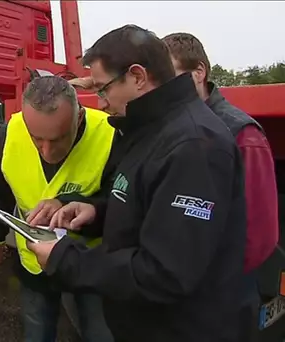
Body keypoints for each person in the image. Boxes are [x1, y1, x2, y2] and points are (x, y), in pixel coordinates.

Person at [28, 25, 251, 342]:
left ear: (137, 76)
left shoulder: (195, 146)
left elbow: (165, 272)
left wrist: (67, 260)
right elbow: (145, 204)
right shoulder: (145, 131)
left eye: (103, 89)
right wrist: (94, 212)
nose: (101, 102)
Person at [162, 32, 280, 338]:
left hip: (221, 298)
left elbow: (260, 233)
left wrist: (213, 280)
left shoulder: (242, 134)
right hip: (180, 293)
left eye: (171, 76)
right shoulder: (170, 128)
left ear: (198, 72)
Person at [0, 75, 115, 342]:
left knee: (99, 332)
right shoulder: (12, 130)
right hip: (34, 263)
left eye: (58, 139)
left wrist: (75, 206)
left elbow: (123, 204)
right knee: (37, 330)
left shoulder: (109, 133)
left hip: (89, 261)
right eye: (37, 138)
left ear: (78, 119)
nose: (47, 151)